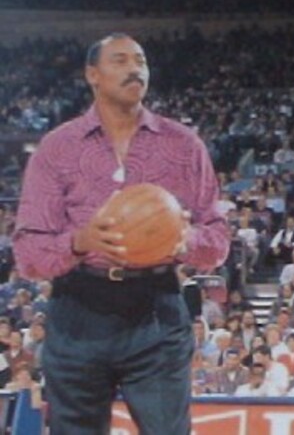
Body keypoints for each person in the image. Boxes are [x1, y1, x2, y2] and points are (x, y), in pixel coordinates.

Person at [12, 33, 230, 434]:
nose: (135, 69)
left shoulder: (184, 146)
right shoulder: (56, 148)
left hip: (157, 306)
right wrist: (80, 242)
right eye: (120, 60)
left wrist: (187, 240)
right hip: (79, 306)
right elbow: (28, 253)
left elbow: (218, 240)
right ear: (92, 74)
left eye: (140, 60)